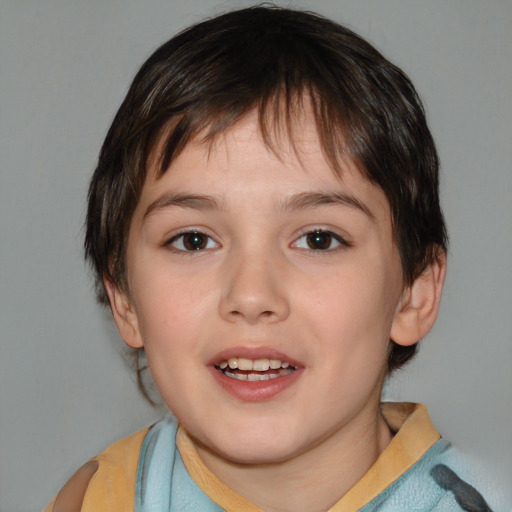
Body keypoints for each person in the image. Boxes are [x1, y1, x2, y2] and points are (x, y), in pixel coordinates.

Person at [45, 6, 493, 511]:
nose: (252, 295)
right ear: (124, 299)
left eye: (319, 240)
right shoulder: (99, 499)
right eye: (194, 241)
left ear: (414, 293)